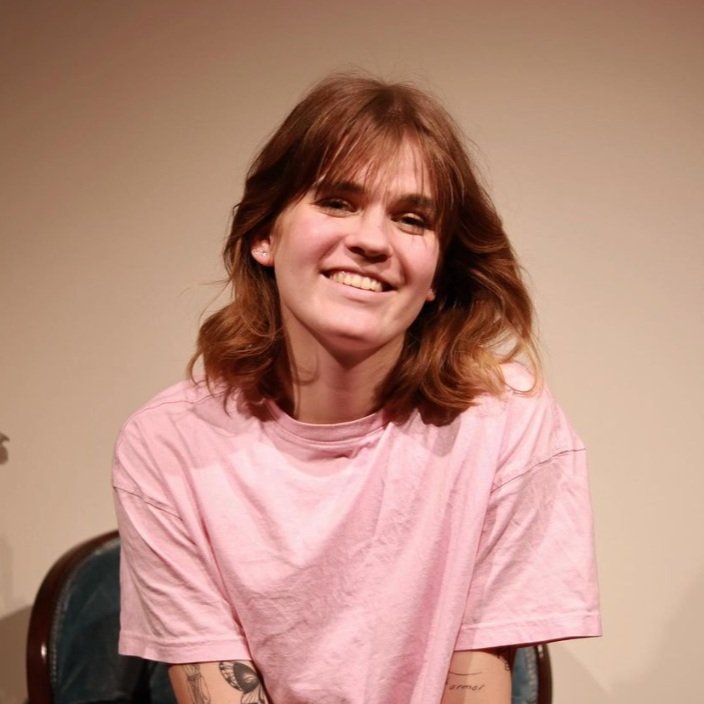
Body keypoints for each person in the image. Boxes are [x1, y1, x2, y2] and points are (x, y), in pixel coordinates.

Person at [112, 73, 601, 704]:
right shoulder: (166, 445)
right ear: (264, 236)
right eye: (337, 202)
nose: (371, 241)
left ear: (436, 274)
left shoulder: (507, 421)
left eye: (412, 219)